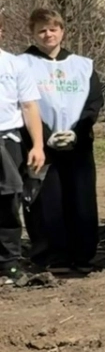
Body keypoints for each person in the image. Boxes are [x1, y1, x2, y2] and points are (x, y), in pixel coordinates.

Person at [19, 9, 101, 275]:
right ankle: (53, 256)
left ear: (62, 31)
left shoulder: (83, 64)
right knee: (46, 202)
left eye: (53, 29)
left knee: (81, 199)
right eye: (41, 30)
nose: (48, 34)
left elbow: (93, 102)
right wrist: (42, 136)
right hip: (40, 146)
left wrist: (78, 131)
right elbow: (22, 103)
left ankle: (83, 255)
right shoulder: (22, 63)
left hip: (77, 144)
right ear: (33, 33)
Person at [0, 18, 46, 285]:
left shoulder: (15, 64)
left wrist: (38, 145)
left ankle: (8, 265)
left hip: (8, 140)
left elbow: (29, 106)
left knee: (8, 202)